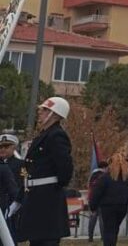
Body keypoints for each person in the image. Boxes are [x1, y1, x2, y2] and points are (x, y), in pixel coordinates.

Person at [13, 96, 75, 246]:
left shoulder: (56, 135)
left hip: (47, 199)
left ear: (54, 114)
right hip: (34, 197)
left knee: (46, 241)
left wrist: (51, 187)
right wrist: (20, 196)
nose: (40, 112)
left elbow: (65, 169)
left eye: (45, 109)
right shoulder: (42, 135)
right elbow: (26, 169)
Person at [88, 153, 128, 246]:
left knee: (108, 230)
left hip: (108, 207)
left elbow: (96, 192)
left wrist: (92, 206)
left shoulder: (105, 177)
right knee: (115, 229)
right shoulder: (127, 178)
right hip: (122, 207)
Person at [87, 160, 108, 241]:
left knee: (92, 219)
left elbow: (89, 186)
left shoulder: (92, 175)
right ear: (104, 167)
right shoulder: (103, 175)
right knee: (102, 220)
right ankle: (103, 237)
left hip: (92, 198)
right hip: (102, 200)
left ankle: (90, 237)